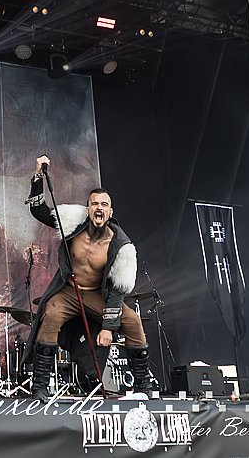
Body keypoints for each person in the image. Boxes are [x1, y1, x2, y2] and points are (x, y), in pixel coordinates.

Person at [24, 155, 150, 399]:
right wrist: (38, 176)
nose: (99, 208)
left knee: (133, 322)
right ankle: (39, 386)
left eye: (104, 204)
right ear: (88, 208)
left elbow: (117, 292)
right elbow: (39, 211)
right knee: (50, 315)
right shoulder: (73, 221)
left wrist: (109, 328)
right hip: (69, 291)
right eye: (94, 204)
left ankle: (143, 387)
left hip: (97, 295)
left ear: (110, 211)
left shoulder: (121, 247)